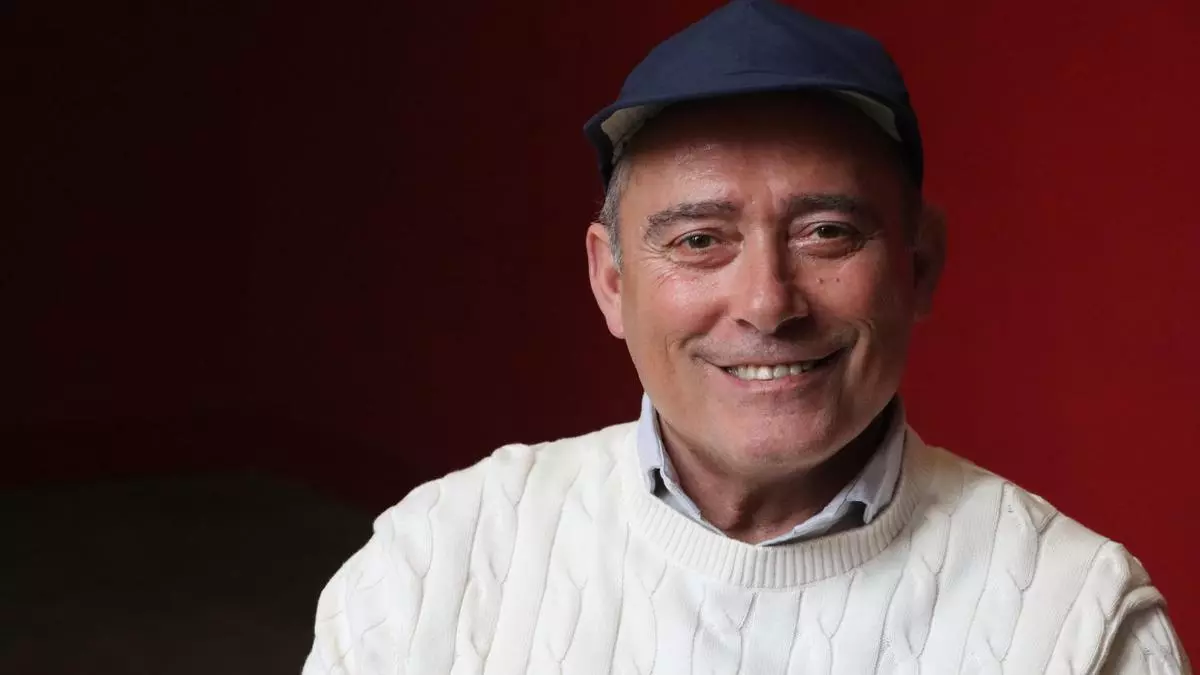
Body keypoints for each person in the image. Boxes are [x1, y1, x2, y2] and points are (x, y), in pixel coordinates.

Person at [302, 1, 1190, 673]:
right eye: (699, 241)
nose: (768, 303)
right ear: (611, 281)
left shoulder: (1077, 621)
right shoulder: (438, 560)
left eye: (827, 233)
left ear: (919, 265)